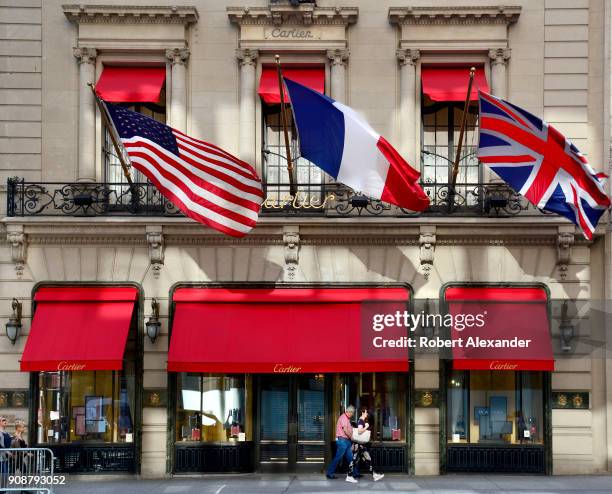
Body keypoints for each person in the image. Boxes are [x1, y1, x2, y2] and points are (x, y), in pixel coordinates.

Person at [326, 405, 359, 483]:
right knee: (338, 457)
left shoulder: (347, 419)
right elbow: (345, 430)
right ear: (349, 412)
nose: (352, 414)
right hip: (342, 441)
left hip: (346, 441)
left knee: (350, 458)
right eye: (352, 413)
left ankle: (355, 473)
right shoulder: (344, 418)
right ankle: (329, 473)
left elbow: (349, 429)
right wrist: (352, 437)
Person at [350, 407, 384, 482]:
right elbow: (359, 431)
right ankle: (349, 476)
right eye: (366, 412)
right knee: (355, 460)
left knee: (367, 459)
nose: (367, 414)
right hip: (359, 445)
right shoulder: (361, 421)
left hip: (360, 445)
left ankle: (374, 475)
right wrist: (366, 426)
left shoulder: (361, 420)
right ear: (362, 413)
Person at [0, 417, 11, 492]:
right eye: (3, 420)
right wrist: (6, 451)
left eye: (5, 420)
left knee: (5, 474)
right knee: (4, 473)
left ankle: (3, 490)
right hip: (1, 456)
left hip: (5, 457)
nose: (5, 421)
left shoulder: (6, 433)